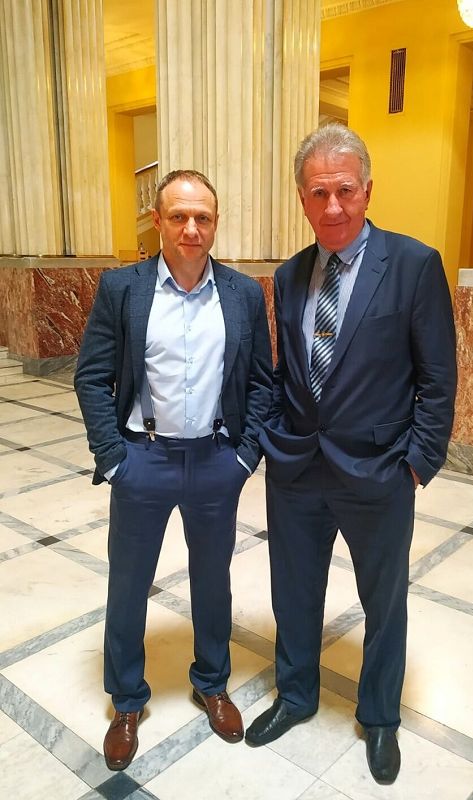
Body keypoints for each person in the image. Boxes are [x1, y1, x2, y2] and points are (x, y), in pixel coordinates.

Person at [244, 124, 457, 785]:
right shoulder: (288, 275)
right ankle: (296, 695)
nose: (332, 206)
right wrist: (272, 439)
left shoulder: (414, 265)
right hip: (297, 469)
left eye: (344, 190)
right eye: (318, 193)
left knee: (383, 601)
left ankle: (380, 716)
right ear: (302, 200)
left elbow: (437, 377)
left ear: (366, 190)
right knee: (293, 591)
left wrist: (417, 461)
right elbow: (286, 372)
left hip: (379, 470)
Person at [75, 169, 272, 771]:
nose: (191, 228)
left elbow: (261, 382)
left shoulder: (242, 294)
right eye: (179, 216)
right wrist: (114, 459)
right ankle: (127, 702)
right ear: (157, 221)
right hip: (144, 458)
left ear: (215, 224)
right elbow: (92, 377)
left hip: (215, 461)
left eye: (202, 217)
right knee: (128, 583)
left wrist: (244, 457)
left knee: (213, 580)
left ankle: (212, 682)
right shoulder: (122, 289)